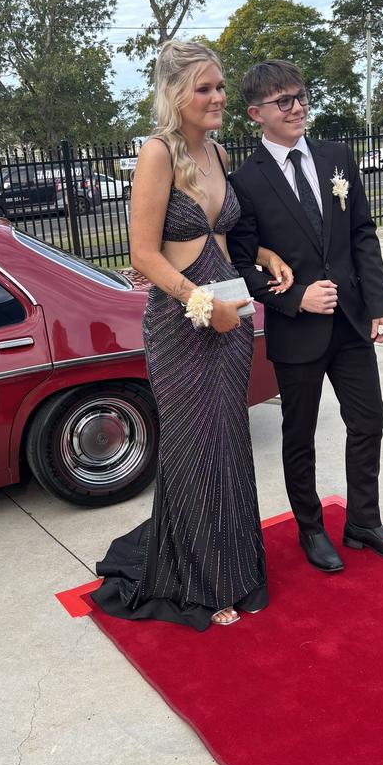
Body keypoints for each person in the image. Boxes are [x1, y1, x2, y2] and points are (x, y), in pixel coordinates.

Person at [90, 41, 293, 631]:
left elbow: (227, 239)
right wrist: (202, 303)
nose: (218, 98)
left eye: (220, 87)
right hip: (180, 327)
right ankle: (197, 582)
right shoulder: (157, 154)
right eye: (204, 88)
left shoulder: (220, 154)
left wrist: (265, 253)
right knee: (192, 447)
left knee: (228, 442)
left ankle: (234, 570)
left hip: (231, 323)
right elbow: (144, 256)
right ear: (175, 95)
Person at [227, 60, 383, 572]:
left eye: (301, 96)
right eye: (283, 101)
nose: (298, 106)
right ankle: (311, 529)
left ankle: (363, 521)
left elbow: (362, 233)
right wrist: (294, 300)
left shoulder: (336, 157)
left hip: (353, 322)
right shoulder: (245, 181)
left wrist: (380, 304)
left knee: (369, 419)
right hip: (298, 332)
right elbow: (242, 265)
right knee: (300, 435)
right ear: (256, 114)